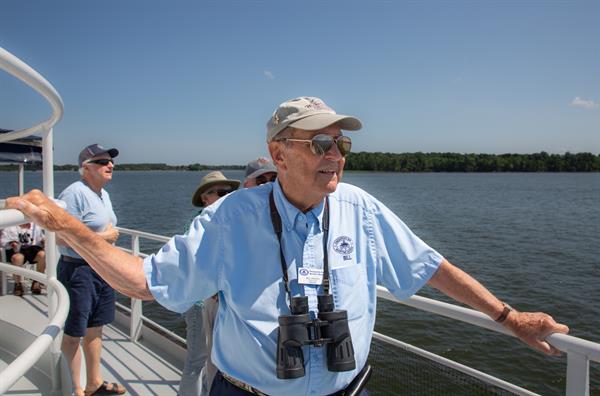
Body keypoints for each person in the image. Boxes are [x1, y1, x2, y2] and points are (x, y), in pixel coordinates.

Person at [5, 97, 569, 396]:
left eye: (342, 142)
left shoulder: (360, 207)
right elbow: (146, 283)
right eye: (320, 141)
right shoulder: (232, 216)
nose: (336, 153)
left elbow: (430, 268)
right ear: (278, 154)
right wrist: (64, 225)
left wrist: (508, 316)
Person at [56, 144, 126, 396]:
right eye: (101, 162)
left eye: (111, 162)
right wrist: (103, 236)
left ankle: (94, 382)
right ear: (85, 168)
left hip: (101, 268)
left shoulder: (102, 195)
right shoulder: (73, 194)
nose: (110, 165)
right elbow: (61, 238)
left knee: (96, 327)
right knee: (74, 332)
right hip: (78, 271)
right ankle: (77, 390)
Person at [181, 171, 240, 396]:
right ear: (206, 198)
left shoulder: (226, 222)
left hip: (218, 303)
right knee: (196, 361)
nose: (228, 196)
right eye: (222, 192)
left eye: (231, 192)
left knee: (216, 360)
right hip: (199, 304)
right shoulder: (198, 225)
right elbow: (196, 265)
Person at [0, 222, 45, 296]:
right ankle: (18, 284)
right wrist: (12, 243)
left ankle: (36, 281)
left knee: (42, 255)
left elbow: (40, 239)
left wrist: (43, 241)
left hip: (31, 249)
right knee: (17, 258)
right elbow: (3, 241)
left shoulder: (35, 225)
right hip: (16, 250)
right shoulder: (9, 226)